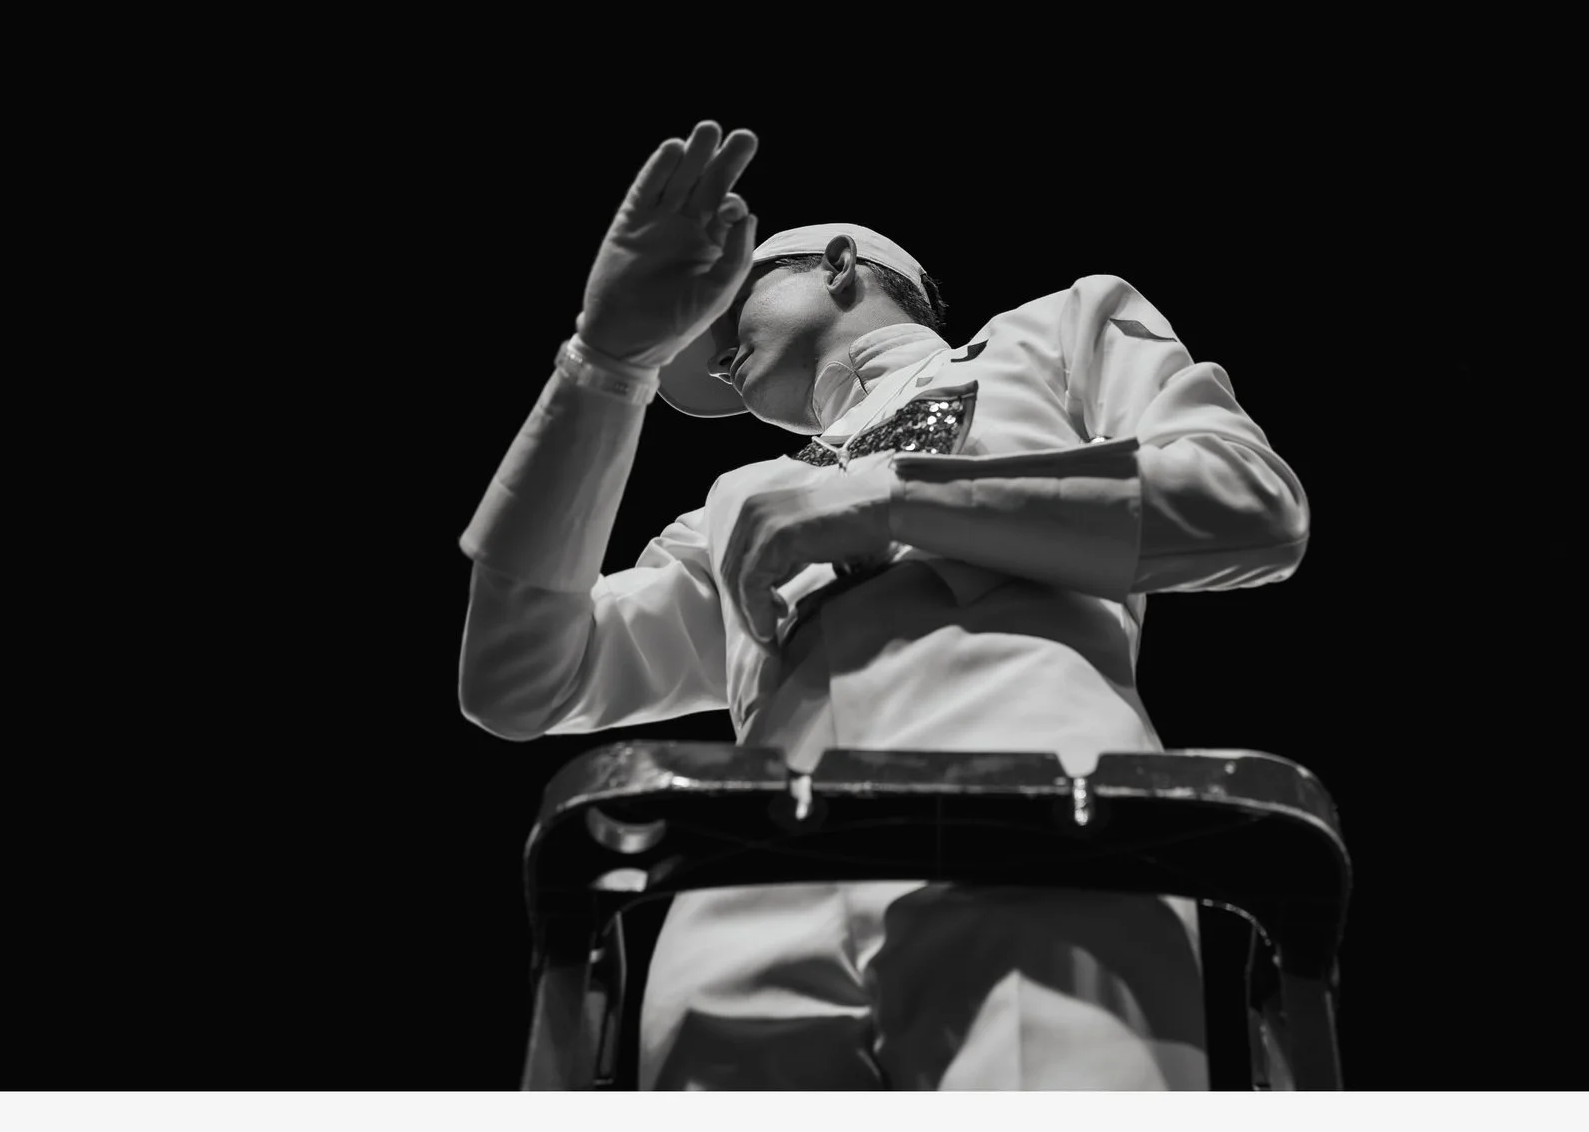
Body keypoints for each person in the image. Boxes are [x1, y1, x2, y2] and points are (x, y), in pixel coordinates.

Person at [456, 120, 1310, 1089]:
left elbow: (1250, 505)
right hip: (748, 893)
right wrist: (605, 363)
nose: (711, 344)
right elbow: (519, 679)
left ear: (838, 263)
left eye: (727, 300)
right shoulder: (741, 502)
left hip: (1043, 824)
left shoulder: (1056, 331)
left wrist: (900, 500)